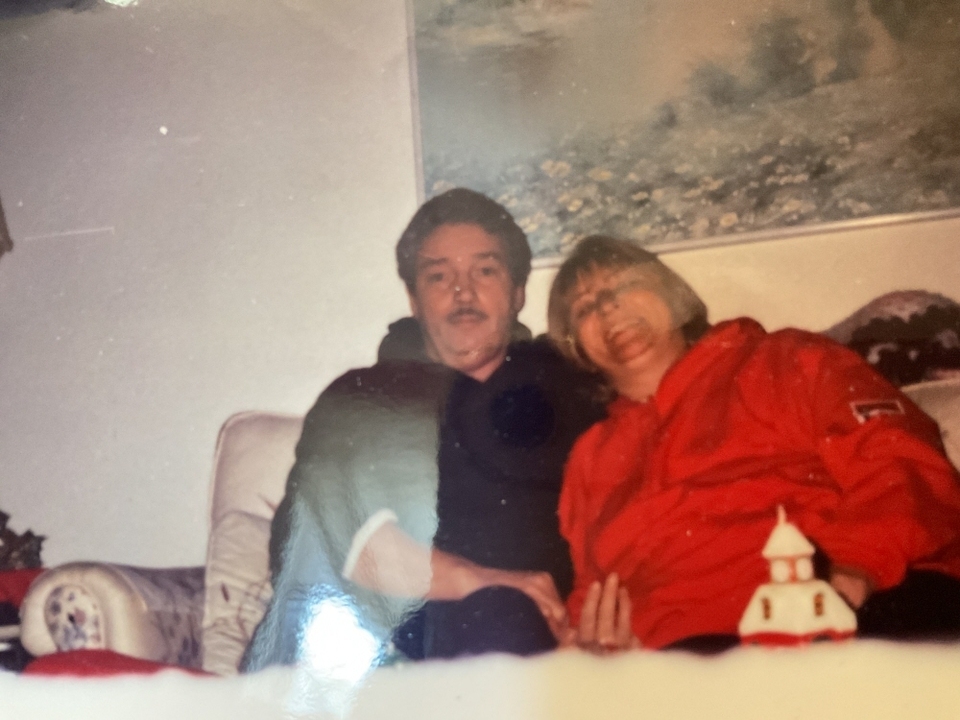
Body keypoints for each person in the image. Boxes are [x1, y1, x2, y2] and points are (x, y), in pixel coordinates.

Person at [241, 189, 604, 671]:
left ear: (518, 292)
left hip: (527, 642)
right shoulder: (363, 396)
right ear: (414, 300)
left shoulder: (571, 389)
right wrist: (480, 580)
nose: (463, 292)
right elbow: (329, 537)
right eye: (438, 276)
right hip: (370, 640)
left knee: (505, 620)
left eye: (485, 270)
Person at [546, 235, 960, 653]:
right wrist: (587, 646)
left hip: (825, 616)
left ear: (674, 297)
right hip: (677, 663)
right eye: (584, 308)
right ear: (576, 346)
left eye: (623, 285)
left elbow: (899, 460)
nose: (606, 308)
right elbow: (589, 588)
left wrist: (854, 570)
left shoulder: (785, 358)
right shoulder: (590, 455)